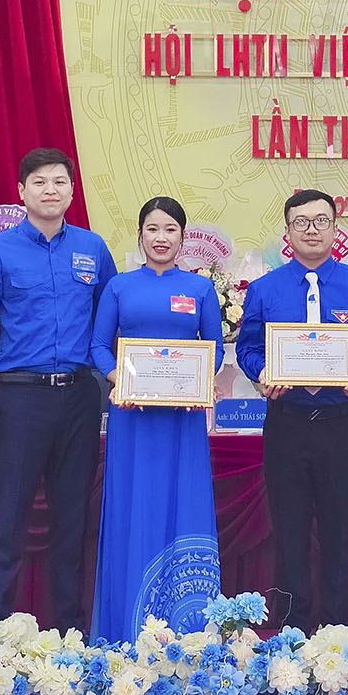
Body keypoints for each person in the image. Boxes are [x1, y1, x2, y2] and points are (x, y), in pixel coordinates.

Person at [0, 148, 117, 633]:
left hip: (79, 397)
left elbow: (113, 322)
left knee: (72, 519)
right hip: (20, 398)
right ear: (21, 191)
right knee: (7, 516)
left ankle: (69, 631)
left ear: (72, 190)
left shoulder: (93, 248)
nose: (50, 190)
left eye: (59, 182)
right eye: (39, 182)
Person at [237, 190, 348, 630]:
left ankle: (337, 631)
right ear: (287, 232)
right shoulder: (265, 289)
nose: (311, 229)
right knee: (289, 534)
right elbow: (248, 347)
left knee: (340, 533)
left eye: (321, 221)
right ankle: (293, 630)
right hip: (286, 425)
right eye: (301, 222)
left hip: (340, 425)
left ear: (335, 229)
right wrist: (262, 371)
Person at [90, 197, 224, 643]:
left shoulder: (200, 289)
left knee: (183, 503)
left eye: (170, 229)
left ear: (183, 237)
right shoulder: (119, 287)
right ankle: (124, 629)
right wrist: (122, 380)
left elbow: (214, 348)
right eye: (152, 229)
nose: (161, 238)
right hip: (133, 417)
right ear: (140, 235)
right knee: (135, 505)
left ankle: (190, 633)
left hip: (183, 419)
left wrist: (199, 383)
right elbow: (98, 346)